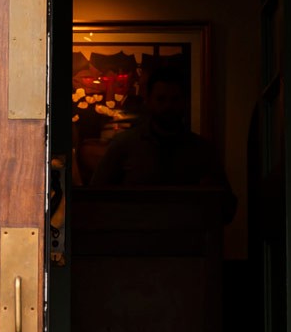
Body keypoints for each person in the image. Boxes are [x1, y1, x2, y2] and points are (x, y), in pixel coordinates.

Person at [94, 72, 237, 224]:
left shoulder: (201, 150)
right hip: (135, 241)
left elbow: (226, 207)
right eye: (161, 99)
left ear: (184, 102)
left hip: (184, 242)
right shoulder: (124, 145)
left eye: (174, 99)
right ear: (148, 101)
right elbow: (95, 198)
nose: (168, 106)